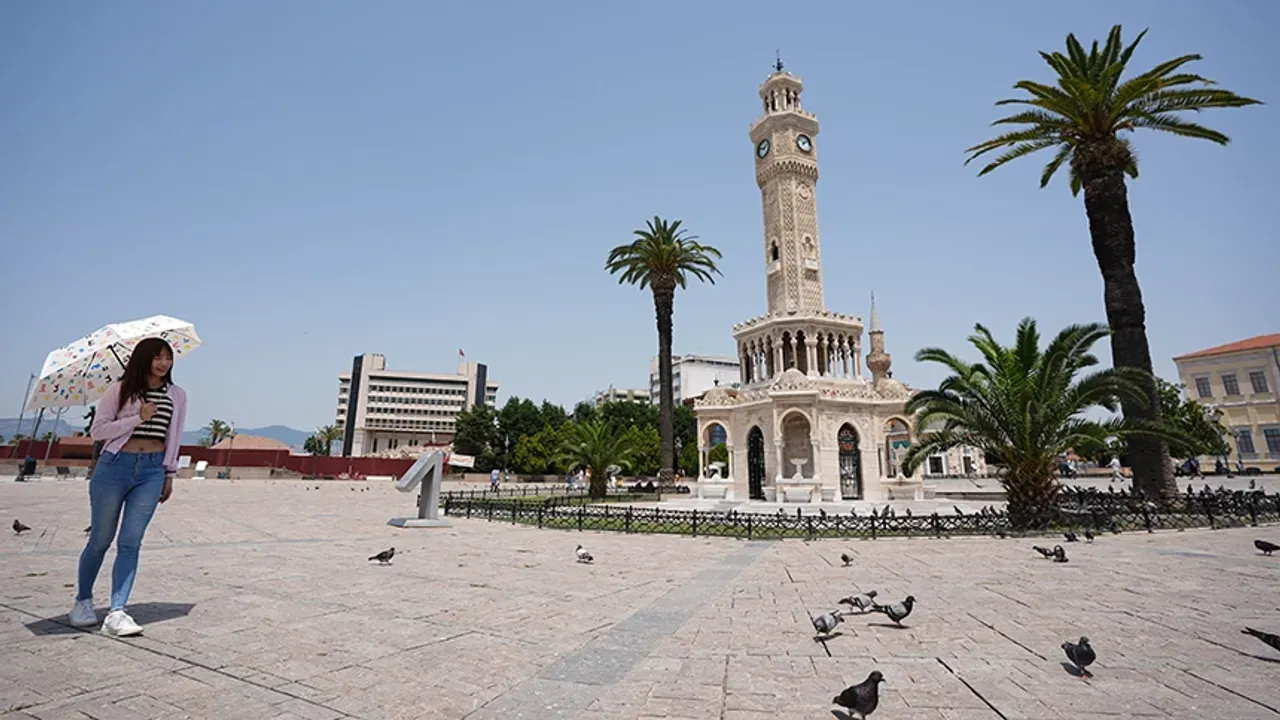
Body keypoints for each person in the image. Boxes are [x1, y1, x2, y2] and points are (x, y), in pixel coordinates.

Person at [70, 338, 187, 636]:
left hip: (151, 471)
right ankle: (83, 600)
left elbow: (173, 436)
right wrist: (137, 418)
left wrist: (169, 473)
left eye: (168, 358)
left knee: (131, 541)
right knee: (100, 539)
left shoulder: (177, 395)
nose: (163, 363)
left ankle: (117, 612)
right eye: (157, 357)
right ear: (143, 359)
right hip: (114, 467)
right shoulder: (119, 390)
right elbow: (98, 430)